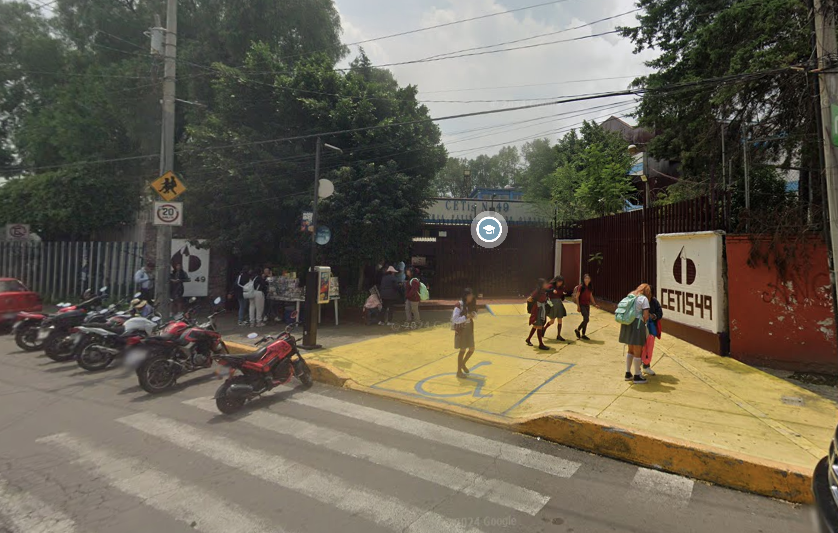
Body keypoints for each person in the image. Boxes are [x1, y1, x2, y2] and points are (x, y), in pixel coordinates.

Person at [621, 283, 652, 385]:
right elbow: (646, 315)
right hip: (637, 324)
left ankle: (628, 373)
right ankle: (637, 376)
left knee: (630, 349)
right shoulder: (644, 299)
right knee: (637, 350)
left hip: (627, 323)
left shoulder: (631, 294)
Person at [451, 288, 478, 378]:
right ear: (466, 296)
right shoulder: (459, 305)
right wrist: (466, 317)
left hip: (469, 329)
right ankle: (459, 372)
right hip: (462, 329)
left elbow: (475, 314)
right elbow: (455, 319)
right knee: (462, 350)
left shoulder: (470, 304)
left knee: (471, 349)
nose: (472, 297)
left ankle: (462, 364)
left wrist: (473, 314)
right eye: (470, 295)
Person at [642, 291, 664, 376]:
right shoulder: (640, 300)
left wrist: (654, 316)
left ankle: (646, 366)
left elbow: (660, 313)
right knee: (640, 347)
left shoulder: (654, 302)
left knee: (649, 348)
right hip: (641, 327)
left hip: (651, 328)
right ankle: (638, 369)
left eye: (650, 294)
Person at [526, 278, 551, 350]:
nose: (546, 284)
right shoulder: (537, 292)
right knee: (539, 326)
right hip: (537, 310)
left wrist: (551, 305)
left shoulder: (544, 291)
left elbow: (546, 300)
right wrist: (533, 302)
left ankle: (528, 339)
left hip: (541, 309)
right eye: (544, 283)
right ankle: (541, 344)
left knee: (536, 326)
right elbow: (530, 299)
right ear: (541, 284)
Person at [573, 274, 597, 340]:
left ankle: (583, 334)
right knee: (586, 319)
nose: (587, 280)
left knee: (585, 320)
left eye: (588, 278)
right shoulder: (581, 287)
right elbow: (577, 297)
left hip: (587, 305)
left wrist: (594, 304)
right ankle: (578, 329)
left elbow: (591, 296)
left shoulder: (590, 287)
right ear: (583, 279)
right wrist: (578, 306)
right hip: (582, 304)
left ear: (590, 280)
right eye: (585, 278)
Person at [544, 275, 568, 341]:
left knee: (560, 319)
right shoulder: (551, 286)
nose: (560, 283)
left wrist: (563, 294)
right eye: (559, 282)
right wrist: (552, 290)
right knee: (552, 321)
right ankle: (544, 329)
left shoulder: (562, 288)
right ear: (556, 281)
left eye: (561, 282)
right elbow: (546, 290)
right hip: (552, 303)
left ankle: (559, 335)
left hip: (559, 303)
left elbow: (562, 297)